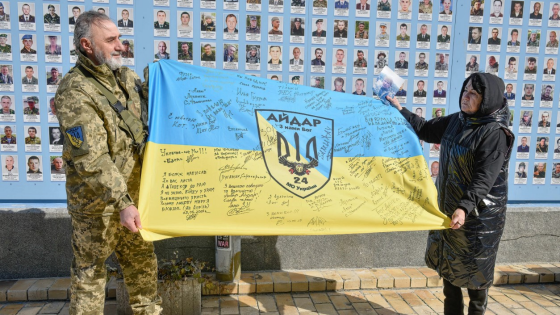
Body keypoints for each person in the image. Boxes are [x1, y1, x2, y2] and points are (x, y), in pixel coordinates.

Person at [54, 11, 161, 314]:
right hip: (97, 208)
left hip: (134, 201)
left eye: (120, 38)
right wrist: (123, 202)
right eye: (111, 40)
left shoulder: (126, 78)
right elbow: (92, 158)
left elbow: (159, 107)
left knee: (143, 273)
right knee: (90, 277)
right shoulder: (74, 92)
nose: (120, 45)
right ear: (87, 45)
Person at [387, 72, 514, 315]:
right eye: (465, 90)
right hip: (451, 212)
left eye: (473, 94)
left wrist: (464, 207)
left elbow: (484, 178)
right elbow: (424, 129)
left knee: (476, 281)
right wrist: (399, 109)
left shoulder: (495, 133)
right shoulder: (458, 120)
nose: (465, 97)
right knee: (450, 273)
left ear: (486, 100)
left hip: (478, 219)